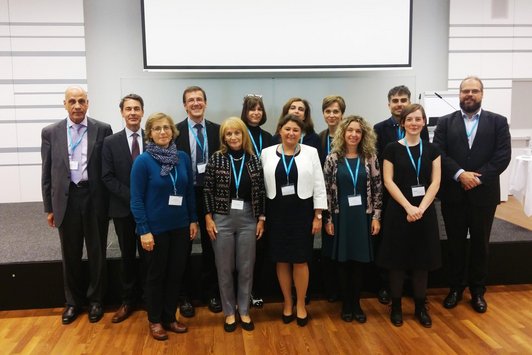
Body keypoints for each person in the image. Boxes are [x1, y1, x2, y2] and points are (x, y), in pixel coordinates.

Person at [433, 76, 511, 314]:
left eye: (474, 91)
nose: (469, 94)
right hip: (453, 195)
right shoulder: (445, 123)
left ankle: (477, 291)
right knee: (455, 245)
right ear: (459, 94)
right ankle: (455, 289)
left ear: (482, 94)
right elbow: (439, 153)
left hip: (483, 195)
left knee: (480, 245)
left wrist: (475, 177)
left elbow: (502, 156)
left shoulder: (498, 122)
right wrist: (459, 174)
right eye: (465, 91)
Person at [41, 86, 112, 324]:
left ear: (88, 103)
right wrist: (48, 207)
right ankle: (72, 302)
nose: (77, 106)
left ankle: (95, 301)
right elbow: (47, 172)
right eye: (72, 101)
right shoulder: (51, 132)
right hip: (66, 199)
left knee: (97, 252)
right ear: (65, 104)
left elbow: (107, 170)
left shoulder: (102, 129)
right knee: (69, 253)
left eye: (81, 101)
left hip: (94, 198)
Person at [130, 112, 198, 340]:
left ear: (173, 131)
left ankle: (170, 317)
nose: (162, 132)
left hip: (180, 226)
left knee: (175, 273)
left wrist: (193, 219)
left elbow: (189, 192)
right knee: (156, 276)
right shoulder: (143, 161)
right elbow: (136, 199)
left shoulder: (182, 157)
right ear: (149, 133)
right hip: (155, 230)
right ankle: (155, 320)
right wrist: (143, 230)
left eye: (166, 128)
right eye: (157, 128)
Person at [376, 104, 441, 328]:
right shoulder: (391, 149)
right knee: (397, 261)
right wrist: (408, 207)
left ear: (424, 122)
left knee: (421, 261)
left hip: (424, 211)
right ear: (402, 123)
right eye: (410, 119)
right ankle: (396, 307)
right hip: (398, 211)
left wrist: (420, 208)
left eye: (418, 119)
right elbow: (388, 181)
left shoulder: (432, 150)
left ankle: (421, 306)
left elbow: (435, 182)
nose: (414, 123)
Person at [261, 114, 327, 327]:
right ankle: (287, 302)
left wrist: (318, 215)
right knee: (281, 259)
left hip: (302, 212)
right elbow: (261, 187)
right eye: (287, 129)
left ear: (301, 133)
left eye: (296, 130)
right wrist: (261, 216)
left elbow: (319, 184)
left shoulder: (311, 152)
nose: (291, 133)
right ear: (280, 130)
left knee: (300, 259)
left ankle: (300, 304)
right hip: (276, 212)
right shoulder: (267, 153)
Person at [204, 117, 266, 332]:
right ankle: (229, 312)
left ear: (243, 135)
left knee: (246, 267)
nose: (233, 137)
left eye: (237, 133)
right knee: (224, 268)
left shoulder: (254, 159)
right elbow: (207, 190)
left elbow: (261, 191)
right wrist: (208, 217)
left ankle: (244, 310)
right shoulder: (216, 159)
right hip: (222, 217)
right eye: (228, 133)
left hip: (249, 217)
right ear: (223, 137)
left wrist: (261, 219)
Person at [373, 85, 429, 305]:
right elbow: (376, 161)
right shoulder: (379, 128)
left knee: (414, 241)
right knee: (389, 243)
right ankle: (387, 285)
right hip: (389, 195)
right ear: (389, 104)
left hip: (415, 196)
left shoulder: (418, 127)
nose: (399, 104)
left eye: (403, 100)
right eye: (395, 100)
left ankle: (410, 286)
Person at [323, 115, 383, 323]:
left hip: (363, 216)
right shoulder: (332, 158)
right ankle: (346, 303)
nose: (354, 134)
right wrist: (328, 219)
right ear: (343, 133)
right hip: (341, 217)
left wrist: (376, 216)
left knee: (359, 261)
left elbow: (377, 188)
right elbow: (326, 192)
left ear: (363, 134)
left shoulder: (370, 157)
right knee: (342, 260)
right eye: (350, 130)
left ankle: (356, 303)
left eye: (358, 131)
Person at [174, 86, 222, 317]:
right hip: (183, 196)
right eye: (191, 100)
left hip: (211, 195)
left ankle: (212, 292)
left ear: (205, 103)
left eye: (199, 99)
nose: (195, 103)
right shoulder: (175, 131)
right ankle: (183, 296)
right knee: (182, 247)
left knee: (212, 247)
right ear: (184, 105)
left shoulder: (218, 131)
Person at [102, 94, 145, 323]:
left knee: (150, 256)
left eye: (136, 108)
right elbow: (107, 177)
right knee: (127, 255)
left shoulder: (153, 138)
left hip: (150, 211)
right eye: (128, 109)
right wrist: (134, 197)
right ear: (122, 112)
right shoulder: (110, 142)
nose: (132, 113)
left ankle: (149, 298)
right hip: (123, 209)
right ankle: (128, 300)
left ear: (142, 112)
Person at [240, 94, 273, 308]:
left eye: (259, 109)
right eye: (252, 109)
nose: (256, 113)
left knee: (261, 247)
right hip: (245, 196)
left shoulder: (269, 137)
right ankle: (243, 290)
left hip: (267, 194)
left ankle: (256, 289)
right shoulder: (239, 134)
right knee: (245, 248)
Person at [318, 95, 346, 303]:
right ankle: (331, 289)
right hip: (323, 197)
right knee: (329, 243)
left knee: (344, 242)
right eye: (328, 111)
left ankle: (345, 287)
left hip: (346, 199)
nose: (332, 115)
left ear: (342, 114)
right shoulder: (319, 138)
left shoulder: (351, 137)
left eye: (336, 111)